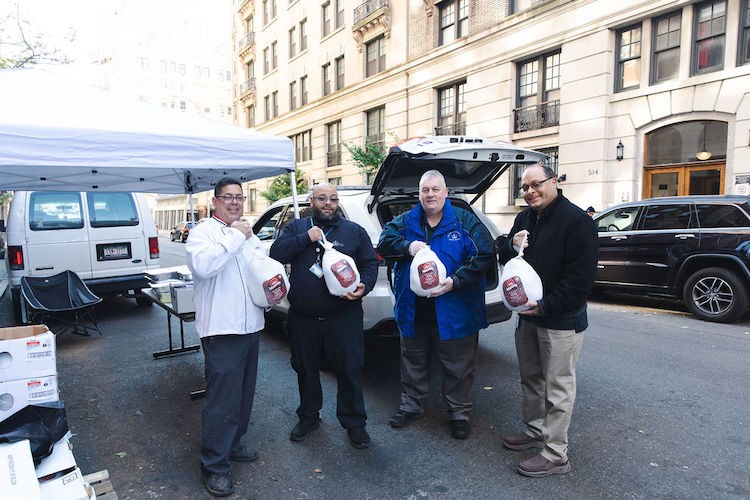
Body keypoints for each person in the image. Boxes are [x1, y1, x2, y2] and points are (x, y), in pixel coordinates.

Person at [377, 170, 495, 440]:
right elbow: (384, 243)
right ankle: (411, 406)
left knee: (458, 365)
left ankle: (459, 412)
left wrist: (455, 281)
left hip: (455, 308)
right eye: (424, 190)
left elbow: (484, 253)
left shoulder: (464, 220)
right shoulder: (406, 221)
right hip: (414, 309)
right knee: (413, 361)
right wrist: (408, 247)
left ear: (445, 192)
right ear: (419, 194)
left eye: (435, 189)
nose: (429, 194)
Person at [497, 163, 598, 477]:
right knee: (531, 379)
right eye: (524, 187)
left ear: (554, 182)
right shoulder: (525, 218)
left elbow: (581, 280)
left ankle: (556, 454)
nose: (529, 192)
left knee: (558, 388)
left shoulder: (577, 221)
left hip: (560, 319)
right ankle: (535, 430)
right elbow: (505, 257)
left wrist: (545, 306)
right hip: (528, 317)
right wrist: (510, 244)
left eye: (535, 184)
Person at [269, 182, 378, 449]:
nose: (328, 203)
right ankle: (309, 416)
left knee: (349, 370)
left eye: (332, 199)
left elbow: (370, 262)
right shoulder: (297, 228)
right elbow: (276, 253)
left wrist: (365, 285)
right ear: (311, 201)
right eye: (322, 199)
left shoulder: (354, 231)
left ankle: (355, 423)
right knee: (305, 369)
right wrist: (307, 238)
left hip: (344, 316)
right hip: (303, 318)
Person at [186, 177, 264, 497]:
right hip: (221, 329)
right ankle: (214, 465)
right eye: (228, 197)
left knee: (244, 395)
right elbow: (205, 267)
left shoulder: (248, 233)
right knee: (221, 401)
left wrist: (271, 290)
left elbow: (258, 270)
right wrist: (235, 235)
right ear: (215, 200)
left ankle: (233, 444)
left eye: (239, 198)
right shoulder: (202, 232)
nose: (234, 203)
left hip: (251, 326)